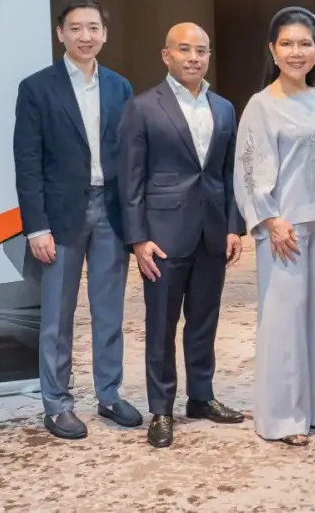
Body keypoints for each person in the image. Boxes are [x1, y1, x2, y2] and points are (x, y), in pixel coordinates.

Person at [13, 0, 142, 440]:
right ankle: (57, 404)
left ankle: (109, 394)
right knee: (57, 315)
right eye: (76, 28)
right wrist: (36, 226)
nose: (85, 36)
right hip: (60, 215)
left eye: (93, 28)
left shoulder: (120, 87)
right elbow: (27, 162)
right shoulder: (37, 88)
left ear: (104, 34)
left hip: (111, 211)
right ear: (60, 34)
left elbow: (130, 156)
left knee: (109, 311)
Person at [117, 22, 246, 449]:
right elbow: (130, 180)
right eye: (185, 49)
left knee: (204, 320)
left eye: (202, 51)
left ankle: (201, 397)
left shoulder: (224, 108)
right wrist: (138, 239)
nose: (194, 58)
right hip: (162, 236)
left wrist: (233, 226)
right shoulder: (142, 107)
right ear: (166, 54)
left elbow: (229, 173)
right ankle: (161, 408)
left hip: (212, 232)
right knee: (161, 324)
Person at [233, 6, 315, 447]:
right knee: (284, 320)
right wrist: (270, 219)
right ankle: (282, 418)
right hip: (285, 227)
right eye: (287, 44)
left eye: (304, 43)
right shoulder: (262, 105)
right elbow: (248, 169)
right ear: (272, 50)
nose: (296, 52)